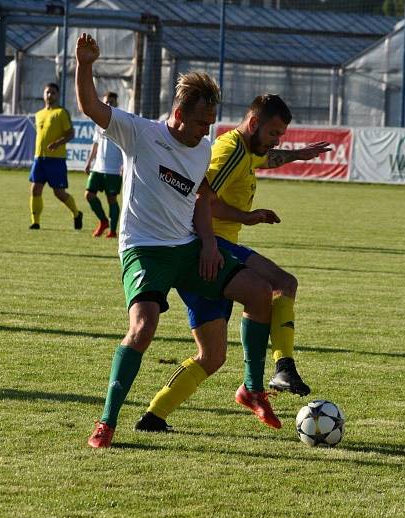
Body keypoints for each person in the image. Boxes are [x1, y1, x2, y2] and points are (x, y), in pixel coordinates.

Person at [76, 33, 278, 449]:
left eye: (210, 122)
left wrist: (207, 242)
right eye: (203, 122)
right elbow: (91, 107)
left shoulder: (201, 148)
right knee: (143, 327)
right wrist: (85, 64)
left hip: (187, 249)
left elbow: (202, 196)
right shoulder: (140, 133)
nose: (207, 131)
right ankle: (107, 422)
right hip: (144, 249)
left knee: (261, 293)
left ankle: (254, 388)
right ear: (178, 113)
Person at [135, 95, 332, 432]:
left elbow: (263, 160)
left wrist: (297, 155)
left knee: (212, 356)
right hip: (208, 246)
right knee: (282, 283)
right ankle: (277, 370)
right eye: (273, 133)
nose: (277, 141)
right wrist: (247, 217)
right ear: (253, 124)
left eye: (281, 135)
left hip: (213, 250)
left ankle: (154, 416)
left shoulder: (245, 151)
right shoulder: (229, 151)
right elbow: (202, 202)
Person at [28, 82, 83, 230]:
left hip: (56, 160)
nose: (49, 95)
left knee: (59, 193)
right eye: (47, 92)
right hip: (39, 158)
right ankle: (36, 222)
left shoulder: (61, 113)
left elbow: (71, 133)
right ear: (43, 95)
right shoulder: (39, 114)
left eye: (52, 92)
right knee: (35, 189)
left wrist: (58, 143)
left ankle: (77, 213)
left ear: (57, 95)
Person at [83, 91, 122, 238]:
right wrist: (89, 162)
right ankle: (103, 221)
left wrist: (124, 164)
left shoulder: (120, 122)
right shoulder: (99, 121)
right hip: (98, 167)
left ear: (117, 103)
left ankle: (112, 230)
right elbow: (96, 143)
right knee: (89, 195)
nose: (109, 104)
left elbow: (126, 145)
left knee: (111, 199)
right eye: (106, 102)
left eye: (112, 102)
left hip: (113, 169)